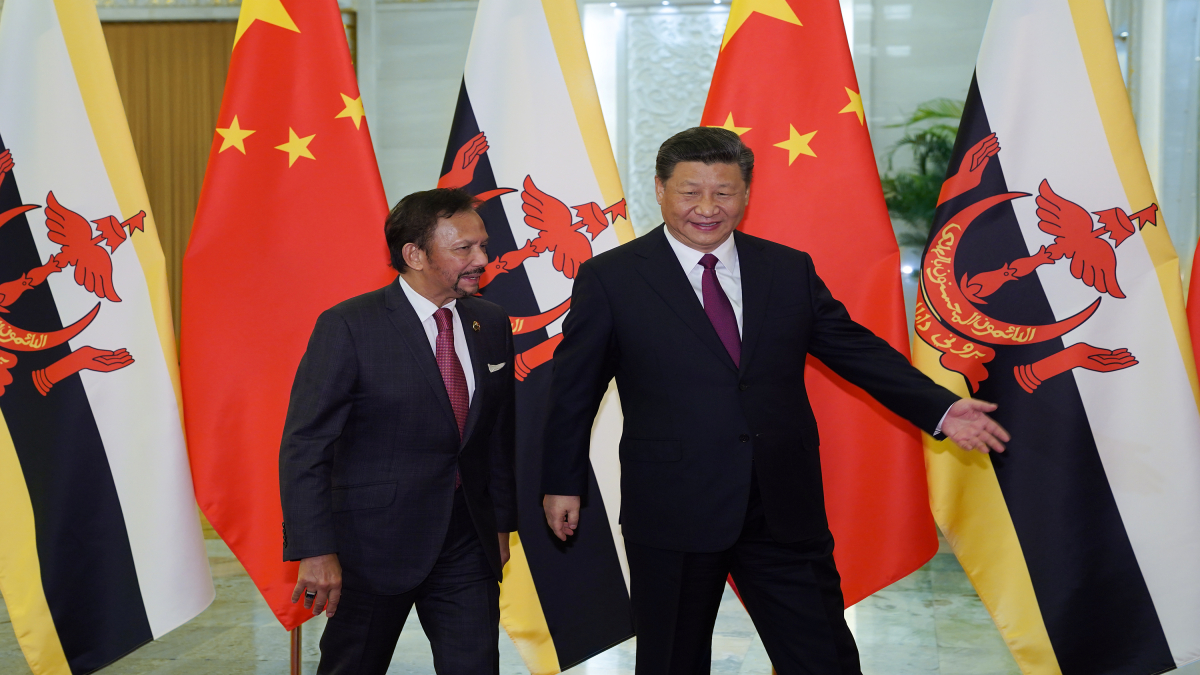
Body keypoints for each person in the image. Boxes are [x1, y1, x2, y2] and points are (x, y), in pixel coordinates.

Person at [540, 127, 1009, 675]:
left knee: (823, 658)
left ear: (746, 194)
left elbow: (853, 349)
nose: (707, 208)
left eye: (724, 192)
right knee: (671, 660)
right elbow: (573, 392)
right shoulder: (611, 279)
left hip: (782, 505)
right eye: (691, 192)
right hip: (674, 506)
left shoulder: (786, 269)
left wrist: (942, 408)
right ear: (661, 190)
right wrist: (561, 481)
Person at [279, 187, 517, 675]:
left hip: (466, 543)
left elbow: (496, 434)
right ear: (414, 254)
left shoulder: (489, 322)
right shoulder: (349, 325)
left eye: (483, 246)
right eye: (464, 249)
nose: (482, 260)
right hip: (370, 547)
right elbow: (306, 444)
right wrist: (315, 549)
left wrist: (499, 524)